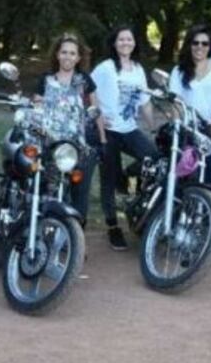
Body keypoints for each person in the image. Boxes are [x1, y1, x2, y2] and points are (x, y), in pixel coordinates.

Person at [169, 24, 211, 250]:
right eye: (195, 43)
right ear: (189, 45)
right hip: (191, 129)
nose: (199, 47)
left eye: (204, 43)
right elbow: (175, 103)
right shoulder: (179, 71)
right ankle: (182, 224)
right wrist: (180, 123)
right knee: (187, 176)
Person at [91, 25, 157, 251]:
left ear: (135, 42)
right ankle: (113, 227)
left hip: (129, 129)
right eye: (121, 40)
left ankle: (127, 175)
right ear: (114, 43)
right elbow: (88, 92)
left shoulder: (138, 69)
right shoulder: (105, 68)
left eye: (129, 39)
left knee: (155, 157)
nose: (125, 43)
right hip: (108, 131)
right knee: (107, 179)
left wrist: (153, 128)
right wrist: (97, 117)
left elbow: (144, 102)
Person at [34, 33, 107, 222]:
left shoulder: (84, 80)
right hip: (50, 144)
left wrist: (103, 139)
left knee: (79, 196)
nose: (68, 56)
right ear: (57, 55)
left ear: (78, 58)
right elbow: (37, 110)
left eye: (72, 53)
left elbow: (96, 109)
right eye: (64, 52)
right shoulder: (45, 79)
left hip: (77, 146)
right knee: (49, 190)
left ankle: (77, 241)